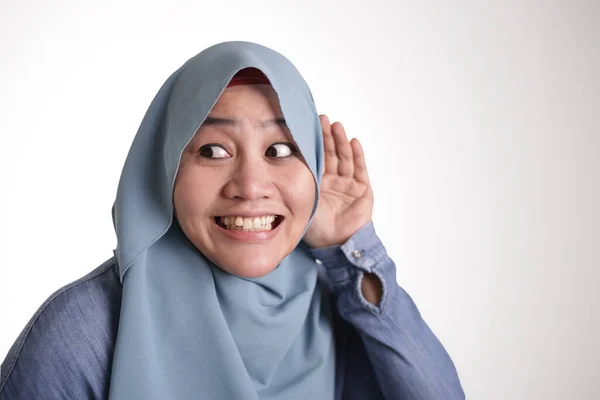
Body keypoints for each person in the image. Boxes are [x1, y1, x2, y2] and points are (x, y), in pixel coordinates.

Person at [0, 41, 465, 399]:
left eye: (280, 150)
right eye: (213, 150)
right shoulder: (83, 332)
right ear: (167, 169)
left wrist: (352, 248)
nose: (250, 184)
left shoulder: (336, 314)